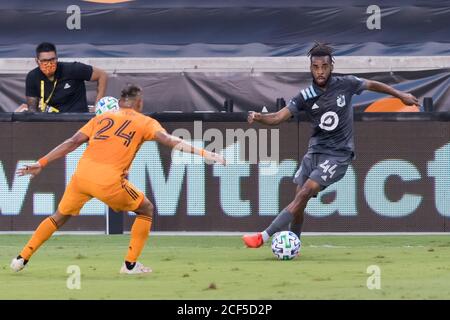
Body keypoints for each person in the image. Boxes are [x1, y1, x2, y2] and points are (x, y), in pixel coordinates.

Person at [11, 84, 225, 274]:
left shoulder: (101, 118)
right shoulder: (145, 122)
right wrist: (206, 153)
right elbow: (169, 140)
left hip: (81, 177)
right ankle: (130, 265)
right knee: (146, 209)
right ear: (138, 103)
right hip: (108, 181)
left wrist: (42, 162)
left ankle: (21, 258)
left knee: (59, 216)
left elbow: (72, 141)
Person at [242, 42, 419, 249]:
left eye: (324, 66)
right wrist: (259, 117)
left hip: (338, 154)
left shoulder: (347, 83)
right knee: (299, 201)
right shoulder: (305, 96)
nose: (320, 71)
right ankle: (294, 245)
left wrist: (401, 95)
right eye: (316, 67)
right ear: (310, 68)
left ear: (331, 66)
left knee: (305, 192)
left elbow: (373, 84)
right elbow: (278, 117)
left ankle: (263, 236)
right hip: (314, 152)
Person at [15, 42, 108, 113]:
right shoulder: (32, 77)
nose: (49, 64)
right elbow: (32, 110)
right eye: (44, 61)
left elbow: (102, 75)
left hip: (78, 119)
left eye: (52, 59)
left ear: (57, 58)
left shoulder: (72, 69)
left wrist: (98, 106)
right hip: (52, 123)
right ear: (37, 61)